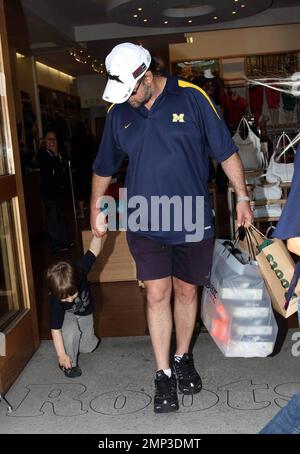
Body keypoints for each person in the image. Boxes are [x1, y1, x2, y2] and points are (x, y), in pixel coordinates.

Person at [90, 42, 253, 413]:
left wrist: (242, 197)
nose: (128, 99)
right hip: (145, 218)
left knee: (186, 292)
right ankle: (163, 373)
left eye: (132, 90)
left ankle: (182, 357)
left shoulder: (192, 98)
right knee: (156, 294)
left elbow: (225, 151)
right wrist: (98, 208)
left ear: (148, 76)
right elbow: (103, 166)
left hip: (192, 216)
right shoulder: (120, 113)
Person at [47, 235, 101, 377]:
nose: (70, 300)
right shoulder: (56, 301)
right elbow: (55, 330)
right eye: (65, 299)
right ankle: (69, 364)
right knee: (71, 334)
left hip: (85, 314)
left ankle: (82, 342)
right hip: (67, 316)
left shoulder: (79, 270)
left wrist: (98, 235)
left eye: (73, 294)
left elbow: (93, 251)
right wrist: (61, 355)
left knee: (87, 347)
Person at [37, 131, 72, 252]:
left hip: (59, 191)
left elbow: (63, 168)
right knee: (53, 218)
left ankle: (64, 241)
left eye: (54, 139)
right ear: (45, 141)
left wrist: (57, 155)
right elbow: (51, 168)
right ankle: (55, 244)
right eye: (49, 139)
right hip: (49, 192)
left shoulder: (57, 154)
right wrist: (56, 156)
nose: (52, 142)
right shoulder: (43, 154)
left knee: (61, 216)